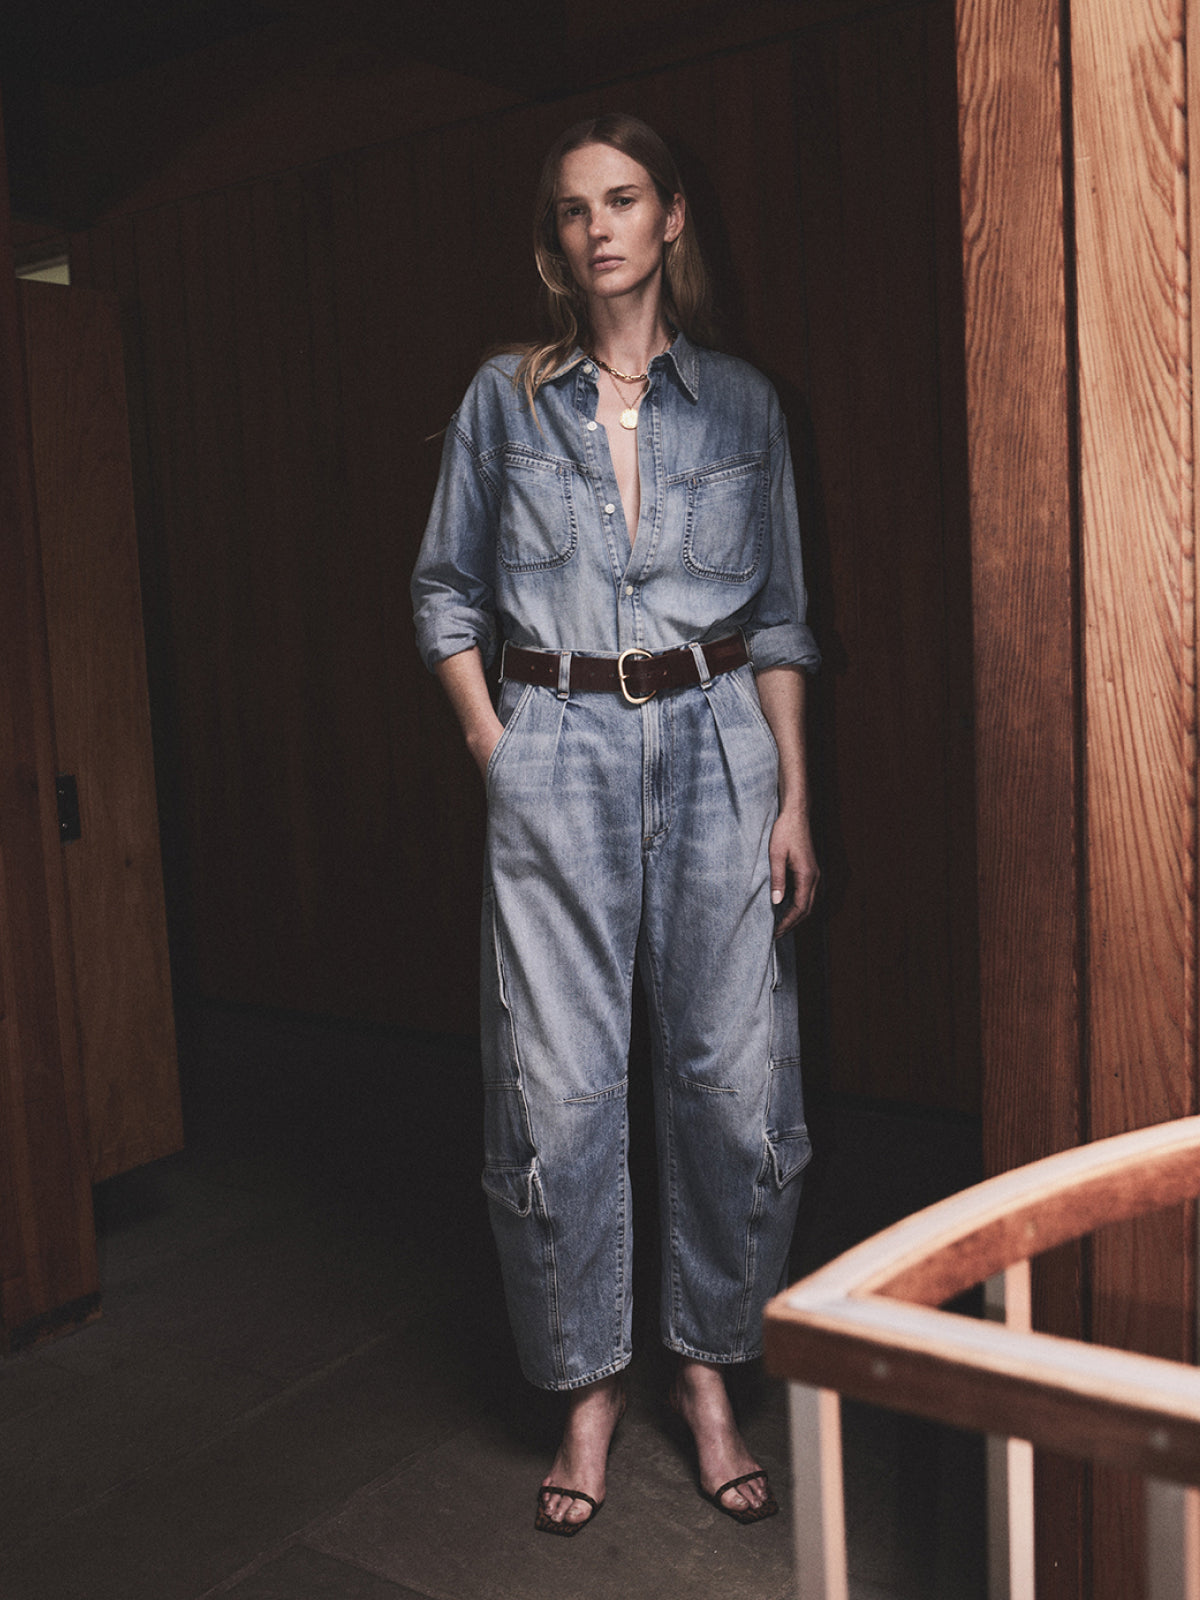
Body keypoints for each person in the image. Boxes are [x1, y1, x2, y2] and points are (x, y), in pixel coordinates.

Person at [411, 112, 819, 1536]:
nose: (601, 227)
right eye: (578, 207)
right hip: (559, 741)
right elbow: (443, 595)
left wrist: (794, 798)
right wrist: (498, 748)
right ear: (558, 238)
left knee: (732, 1079)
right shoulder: (503, 401)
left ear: (672, 218)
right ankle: (589, 1386)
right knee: (558, 1084)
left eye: (626, 199)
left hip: (720, 744)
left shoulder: (746, 407)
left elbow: (782, 621)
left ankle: (707, 1375)